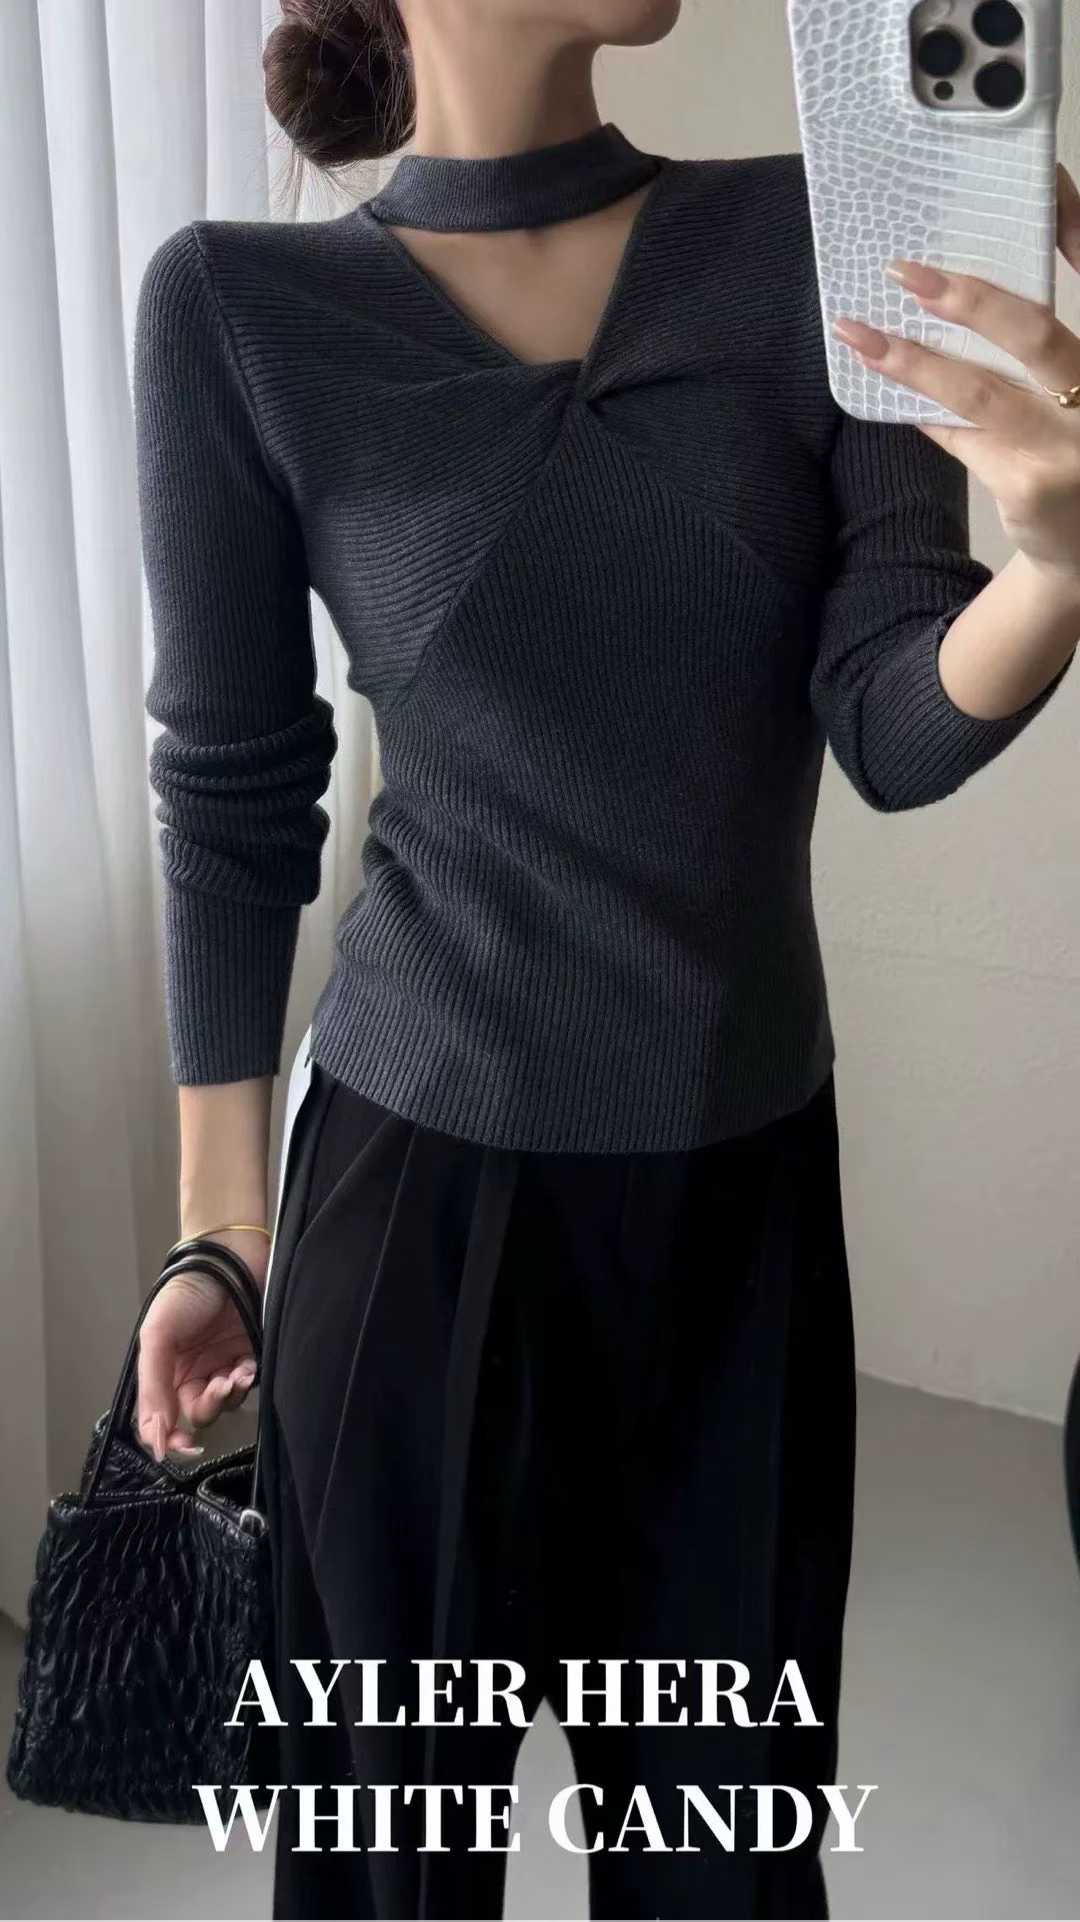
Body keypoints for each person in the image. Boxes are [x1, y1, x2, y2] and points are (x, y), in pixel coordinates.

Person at [130, 2, 1080, 1916]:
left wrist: (1058, 563)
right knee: (389, 1875)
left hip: (738, 1218)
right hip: (410, 1216)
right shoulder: (237, 307)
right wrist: (220, 1233)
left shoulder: (812, 243)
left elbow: (890, 725)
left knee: (726, 1864)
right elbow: (233, 794)